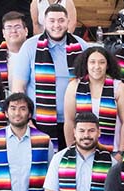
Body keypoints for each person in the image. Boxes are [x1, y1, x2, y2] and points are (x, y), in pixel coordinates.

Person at [10, 3, 90, 140]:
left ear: (68, 22)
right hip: (38, 121)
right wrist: (25, 119)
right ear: (44, 22)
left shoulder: (82, 46)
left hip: (77, 122)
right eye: (51, 21)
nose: (56, 25)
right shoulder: (30, 46)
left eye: (61, 20)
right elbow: (18, 87)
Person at [64, 47, 124, 152]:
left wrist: (121, 152)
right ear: (86, 64)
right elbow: (69, 121)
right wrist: (70, 149)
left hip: (112, 151)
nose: (97, 66)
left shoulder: (118, 88)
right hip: (81, 150)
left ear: (107, 65)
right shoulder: (74, 86)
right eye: (92, 62)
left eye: (102, 62)